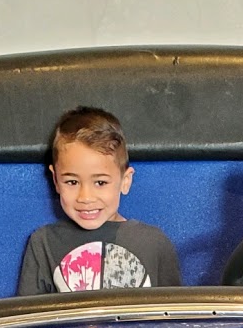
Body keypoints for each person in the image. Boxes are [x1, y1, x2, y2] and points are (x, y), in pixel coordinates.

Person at [17, 107, 181, 294]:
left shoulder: (154, 243)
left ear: (125, 181)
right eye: (72, 182)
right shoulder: (42, 242)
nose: (86, 197)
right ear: (55, 180)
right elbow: (30, 311)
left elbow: (174, 310)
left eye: (100, 182)